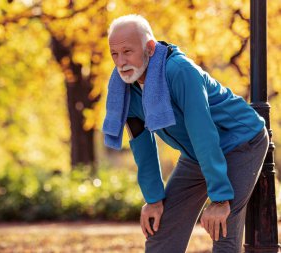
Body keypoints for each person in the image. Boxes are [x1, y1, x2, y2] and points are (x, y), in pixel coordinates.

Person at [102, 14, 269, 253]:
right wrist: (153, 199)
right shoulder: (123, 87)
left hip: (241, 142)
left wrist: (220, 198)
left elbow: (203, 131)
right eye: (114, 54)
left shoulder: (180, 71)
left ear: (150, 48)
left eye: (128, 51)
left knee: (222, 228)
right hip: (197, 153)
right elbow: (142, 144)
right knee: (162, 231)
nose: (121, 61)